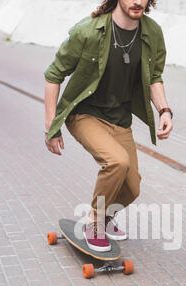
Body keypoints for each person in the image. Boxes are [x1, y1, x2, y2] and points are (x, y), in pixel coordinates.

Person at [44, 0, 173, 252]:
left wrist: (164, 110)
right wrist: (51, 125)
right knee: (117, 162)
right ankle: (93, 224)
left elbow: (154, 76)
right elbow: (54, 74)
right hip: (85, 114)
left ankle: (105, 217)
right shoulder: (88, 31)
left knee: (132, 186)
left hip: (120, 119)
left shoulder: (152, 32)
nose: (137, 1)